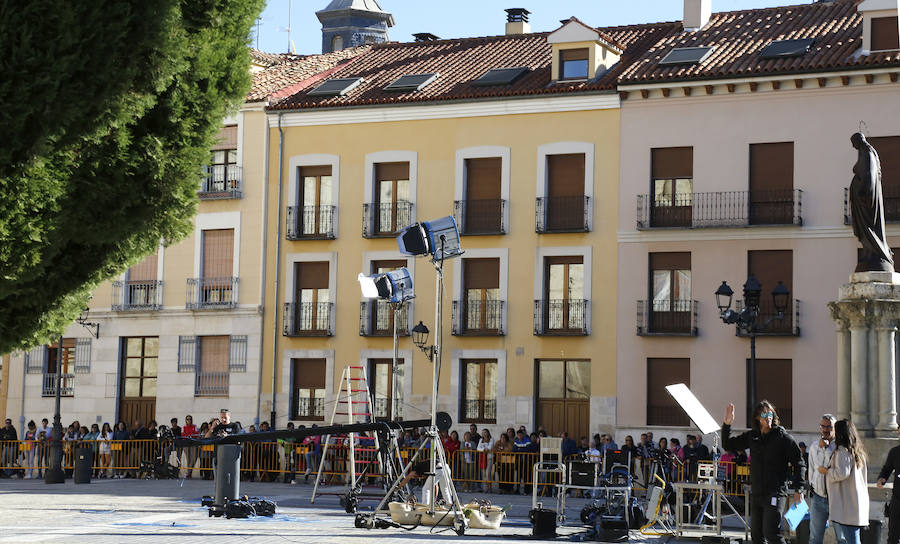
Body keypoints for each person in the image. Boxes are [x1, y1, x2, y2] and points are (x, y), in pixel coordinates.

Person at [722, 400, 805, 544]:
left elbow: (799, 463)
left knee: (771, 534)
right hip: (757, 494)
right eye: (764, 414)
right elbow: (728, 445)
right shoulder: (753, 436)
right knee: (756, 536)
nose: (768, 417)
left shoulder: (783, 437)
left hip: (775, 493)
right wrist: (727, 424)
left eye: (770, 414)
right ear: (757, 418)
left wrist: (799, 489)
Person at [822, 420, 869, 544]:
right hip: (855, 503)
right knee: (853, 538)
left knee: (850, 540)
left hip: (846, 506)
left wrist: (826, 471)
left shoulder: (842, 451)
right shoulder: (858, 452)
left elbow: (842, 473)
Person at [808, 414, 837, 544]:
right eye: (823, 426)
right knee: (815, 537)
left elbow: (830, 468)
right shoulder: (814, 447)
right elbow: (812, 469)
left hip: (835, 499)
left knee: (841, 537)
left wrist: (826, 448)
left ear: (834, 429)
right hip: (818, 498)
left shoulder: (839, 448)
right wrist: (813, 486)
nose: (826, 429)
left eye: (829, 427)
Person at [877, 424, 900, 544]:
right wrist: (882, 478)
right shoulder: (895, 452)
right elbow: (887, 469)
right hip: (897, 501)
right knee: (893, 537)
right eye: (899, 434)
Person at [477, 428, 495, 493]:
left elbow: (489, 448)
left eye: (485, 432)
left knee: (488, 473)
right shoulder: (481, 440)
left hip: (489, 458)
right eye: (483, 433)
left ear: (488, 433)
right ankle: (486, 488)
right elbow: (478, 448)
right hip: (482, 458)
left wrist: (484, 449)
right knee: (483, 473)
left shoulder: (491, 439)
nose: (484, 434)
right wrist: (484, 450)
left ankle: (490, 487)